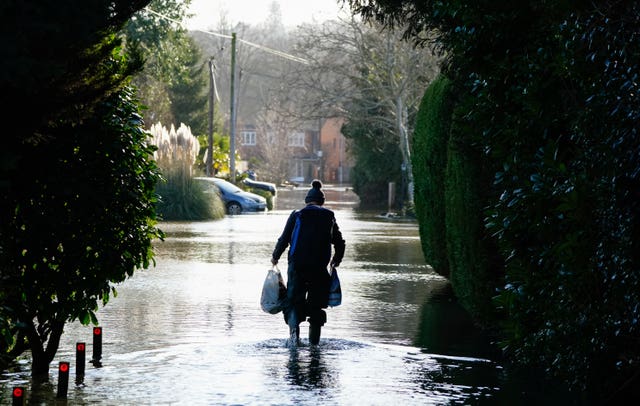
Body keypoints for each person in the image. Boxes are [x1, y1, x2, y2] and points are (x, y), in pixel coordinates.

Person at [271, 179, 345, 346]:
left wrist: (275, 257)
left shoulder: (297, 215)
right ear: (322, 202)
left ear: (307, 201)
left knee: (293, 303)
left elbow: (284, 239)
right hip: (319, 269)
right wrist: (336, 260)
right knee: (316, 307)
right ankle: (314, 346)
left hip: (297, 267)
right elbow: (340, 243)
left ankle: (294, 341)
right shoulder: (329, 217)